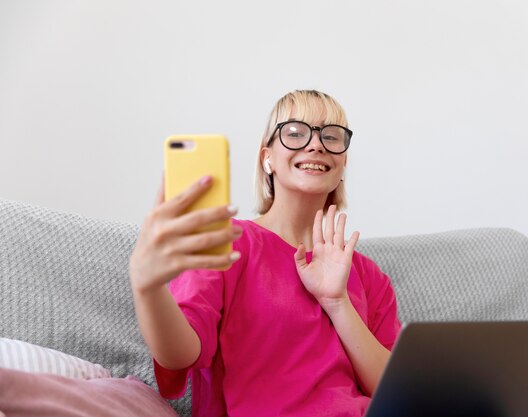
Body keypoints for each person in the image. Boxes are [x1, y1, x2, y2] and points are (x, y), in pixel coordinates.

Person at [129, 90, 402, 417]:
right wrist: (148, 288)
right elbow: (181, 355)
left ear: (342, 164)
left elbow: (396, 392)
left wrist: (337, 303)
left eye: (332, 136)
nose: (316, 145)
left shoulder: (368, 274)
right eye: (295, 133)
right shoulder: (228, 242)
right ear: (267, 158)